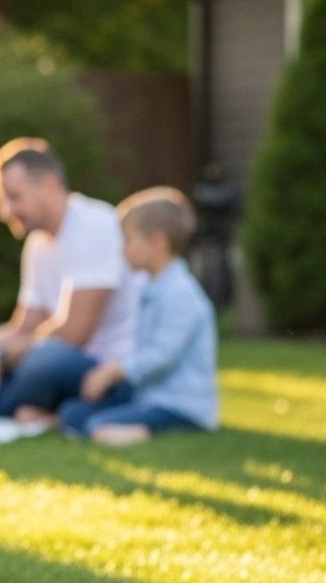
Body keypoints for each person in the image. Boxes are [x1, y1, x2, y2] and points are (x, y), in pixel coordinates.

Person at [0, 139, 143, 425]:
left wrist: (9, 356)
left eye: (14, 197)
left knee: (45, 359)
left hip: (110, 369)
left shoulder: (93, 226)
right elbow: (25, 326)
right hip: (67, 364)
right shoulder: (37, 244)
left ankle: (9, 406)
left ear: (49, 185)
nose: (5, 211)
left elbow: (75, 332)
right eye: (2, 201)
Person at [61, 187, 219, 445]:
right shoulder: (150, 287)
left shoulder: (181, 294)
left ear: (158, 243)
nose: (123, 250)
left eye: (128, 240)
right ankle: (112, 427)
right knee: (72, 413)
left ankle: (139, 432)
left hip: (180, 406)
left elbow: (161, 356)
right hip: (148, 398)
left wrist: (114, 371)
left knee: (96, 424)